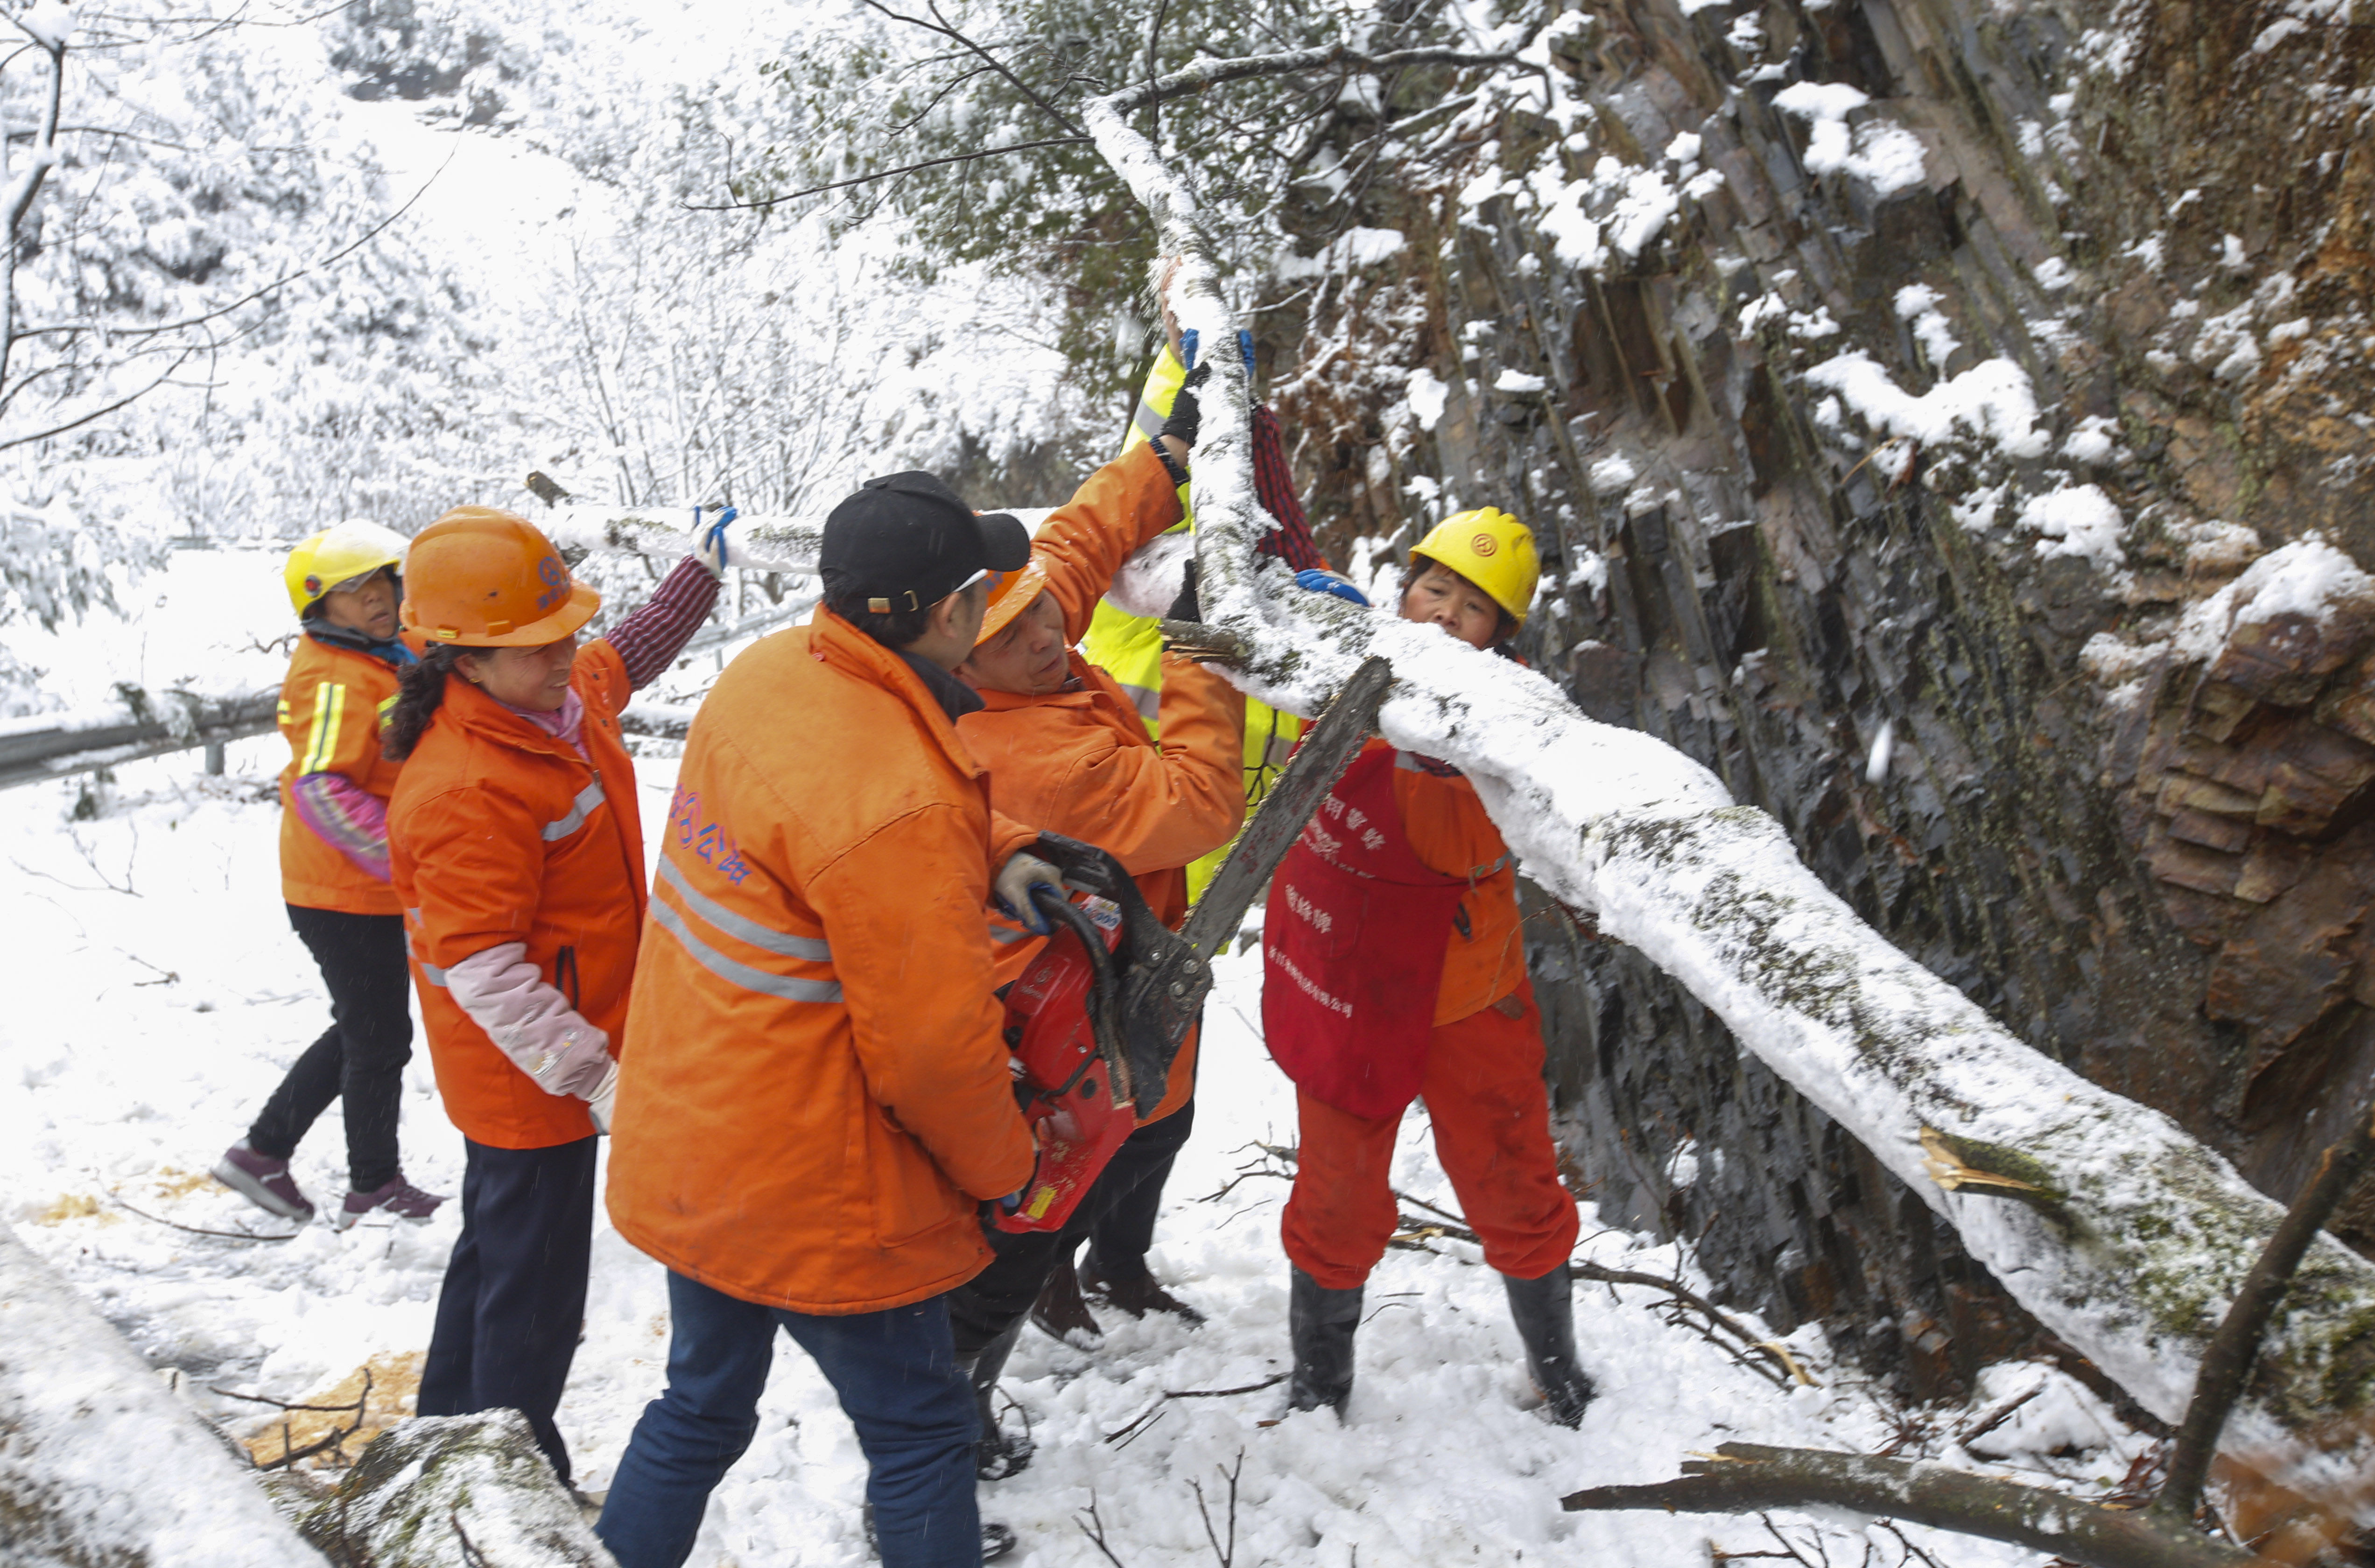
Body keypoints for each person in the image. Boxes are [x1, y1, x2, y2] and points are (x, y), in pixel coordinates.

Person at [597, 472, 1051, 1568]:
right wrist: (1009, 1173)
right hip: (813, 1181)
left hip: (698, 1136)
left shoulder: (773, 675)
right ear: (950, 617)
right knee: (923, 1430)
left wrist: (995, 853)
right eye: (985, 590)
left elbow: (830, 828)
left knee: (700, 1407)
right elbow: (938, 1057)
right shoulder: (900, 800)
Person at [384, 505, 729, 1489]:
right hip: (532, 1085)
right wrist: (595, 1077)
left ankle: (445, 1443)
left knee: (497, 1262)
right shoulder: (465, 787)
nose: (564, 651)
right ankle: (514, 1475)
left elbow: (626, 655)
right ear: (461, 660)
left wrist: (696, 578)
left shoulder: (553, 699)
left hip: (562, 1064)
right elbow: (485, 969)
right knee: (534, 1298)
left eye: (564, 629)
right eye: (539, 643)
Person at [942, 400, 1244, 1475]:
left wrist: (1156, 466)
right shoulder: (1030, 757)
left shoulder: (1010, 632)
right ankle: (952, 1415)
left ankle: (1083, 1281)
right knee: (1023, 1236)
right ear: (959, 659)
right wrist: (1201, 653)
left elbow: (1067, 551)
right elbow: (1204, 804)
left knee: (1151, 1138)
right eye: (1012, 635)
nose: (1044, 633)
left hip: (1124, 978)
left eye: (1036, 615)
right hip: (1079, 1022)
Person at [1261, 509, 1595, 1428]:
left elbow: (1457, 816)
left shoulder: (1509, 733)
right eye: (1435, 588)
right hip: (1351, 989)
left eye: (1475, 607)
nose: (1446, 614)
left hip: (1465, 1000)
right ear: (1403, 588)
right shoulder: (1347, 672)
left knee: (1513, 1180)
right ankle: (1319, 1384)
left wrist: (1428, 747)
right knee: (1334, 1197)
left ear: (1504, 637)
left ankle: (1558, 1371)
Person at [215, 521, 446, 1229]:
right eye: (355, 591)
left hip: (364, 891)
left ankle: (262, 1153)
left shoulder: (385, 652)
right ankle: (371, 1184)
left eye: (383, 582)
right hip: (344, 895)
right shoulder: (335, 676)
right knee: (378, 1040)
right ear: (321, 608)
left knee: (363, 1029)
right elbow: (321, 788)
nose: (377, 599)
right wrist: (398, 859)